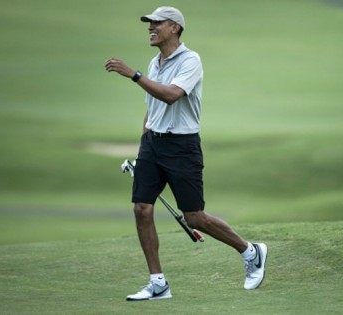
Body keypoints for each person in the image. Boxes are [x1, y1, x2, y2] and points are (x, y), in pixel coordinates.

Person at [105, 6, 267, 301]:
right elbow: (152, 105)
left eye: (157, 23)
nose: (150, 28)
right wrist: (144, 144)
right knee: (142, 208)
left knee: (194, 217)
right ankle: (158, 284)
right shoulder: (155, 63)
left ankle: (251, 252)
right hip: (153, 144)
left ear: (175, 28)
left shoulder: (191, 60)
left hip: (182, 147)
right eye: (149, 24)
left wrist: (133, 74)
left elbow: (170, 95)